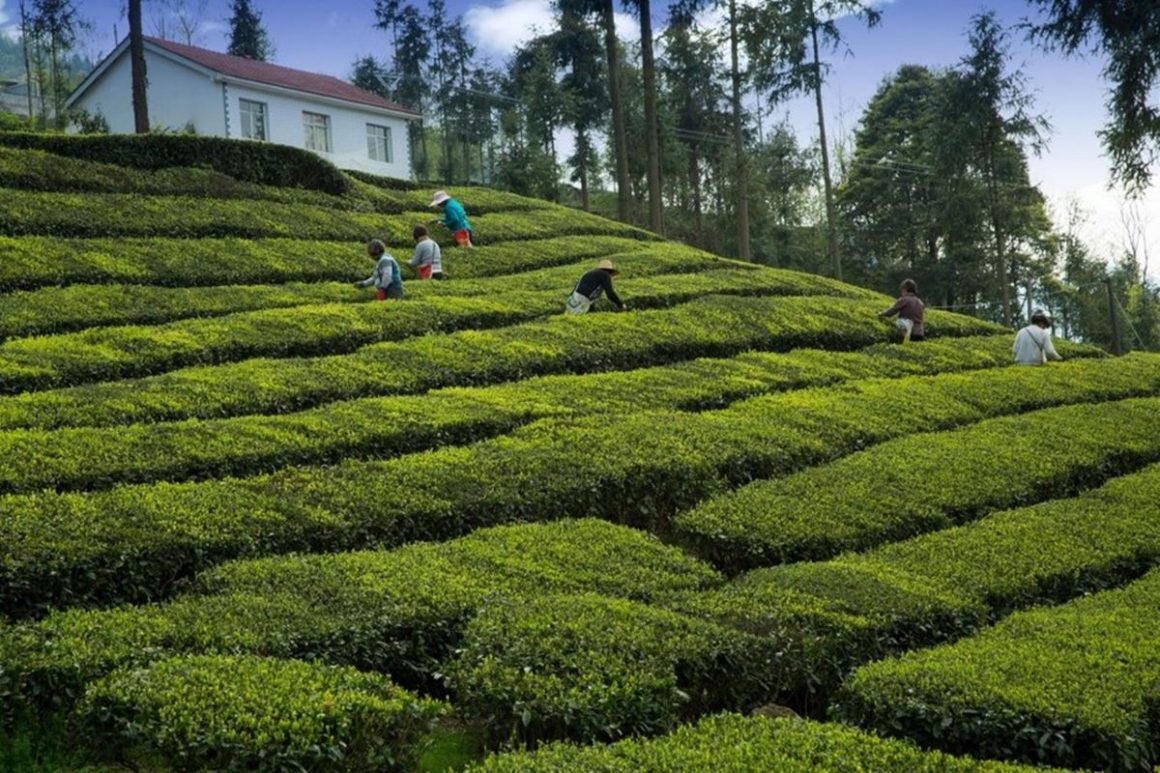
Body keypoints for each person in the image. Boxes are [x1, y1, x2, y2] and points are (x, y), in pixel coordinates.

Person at [878, 278, 925, 342]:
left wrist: (881, 313)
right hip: (919, 332)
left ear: (905, 289)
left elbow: (892, 311)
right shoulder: (920, 302)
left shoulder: (904, 300)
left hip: (908, 332)